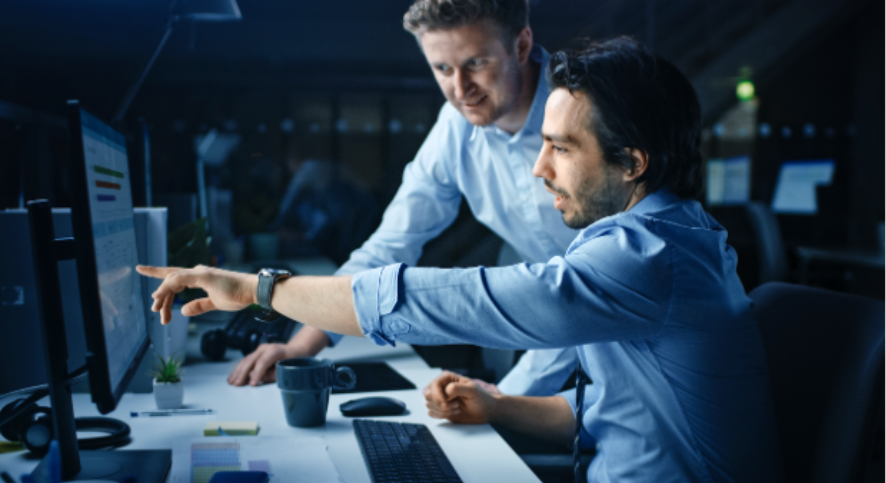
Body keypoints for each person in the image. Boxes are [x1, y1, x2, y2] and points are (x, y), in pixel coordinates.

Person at [138, 37, 784, 482]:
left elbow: (457, 299)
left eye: (561, 147)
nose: (538, 167)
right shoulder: (656, 237)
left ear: (632, 161)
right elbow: (625, 415)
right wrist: (500, 405)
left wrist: (258, 287)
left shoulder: (648, 255)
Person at [227, 0, 580, 396]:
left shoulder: (591, 111)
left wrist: (508, 400)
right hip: (562, 332)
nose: (461, 90)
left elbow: (597, 288)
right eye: (442, 69)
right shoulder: (457, 126)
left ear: (520, 45)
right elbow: (391, 244)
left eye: (476, 63)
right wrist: (299, 347)